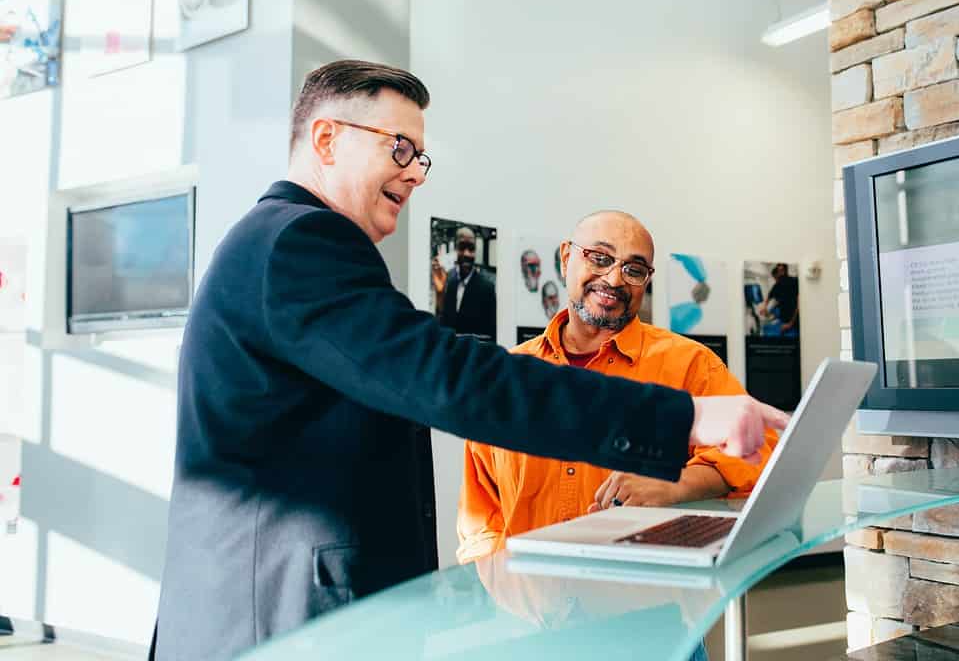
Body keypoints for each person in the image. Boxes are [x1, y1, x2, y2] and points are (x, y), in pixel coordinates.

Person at [154, 60, 788, 660]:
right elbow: (450, 378)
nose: (415, 173)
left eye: (420, 156)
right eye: (398, 147)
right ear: (325, 140)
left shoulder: (278, 242)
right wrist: (682, 419)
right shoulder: (302, 241)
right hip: (282, 616)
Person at [457, 212, 778, 563]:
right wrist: (499, 592)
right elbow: (481, 518)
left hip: (645, 600)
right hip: (530, 604)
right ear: (566, 258)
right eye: (600, 258)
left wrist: (675, 484)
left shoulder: (690, 364)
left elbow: (761, 452)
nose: (614, 279)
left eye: (634, 269)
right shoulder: (509, 376)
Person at [432, 226, 497, 340]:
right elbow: (443, 325)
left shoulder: (487, 288)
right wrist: (440, 294)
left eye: (471, 249)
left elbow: (491, 335)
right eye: (462, 247)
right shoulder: (449, 281)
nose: (466, 254)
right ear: (455, 249)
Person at [760, 263, 799, 337]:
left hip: (793, 323)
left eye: (781, 270)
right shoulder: (778, 285)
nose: (780, 273)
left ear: (785, 271)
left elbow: (798, 305)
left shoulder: (794, 282)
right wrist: (764, 306)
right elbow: (769, 295)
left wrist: (790, 324)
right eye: (778, 271)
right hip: (783, 321)